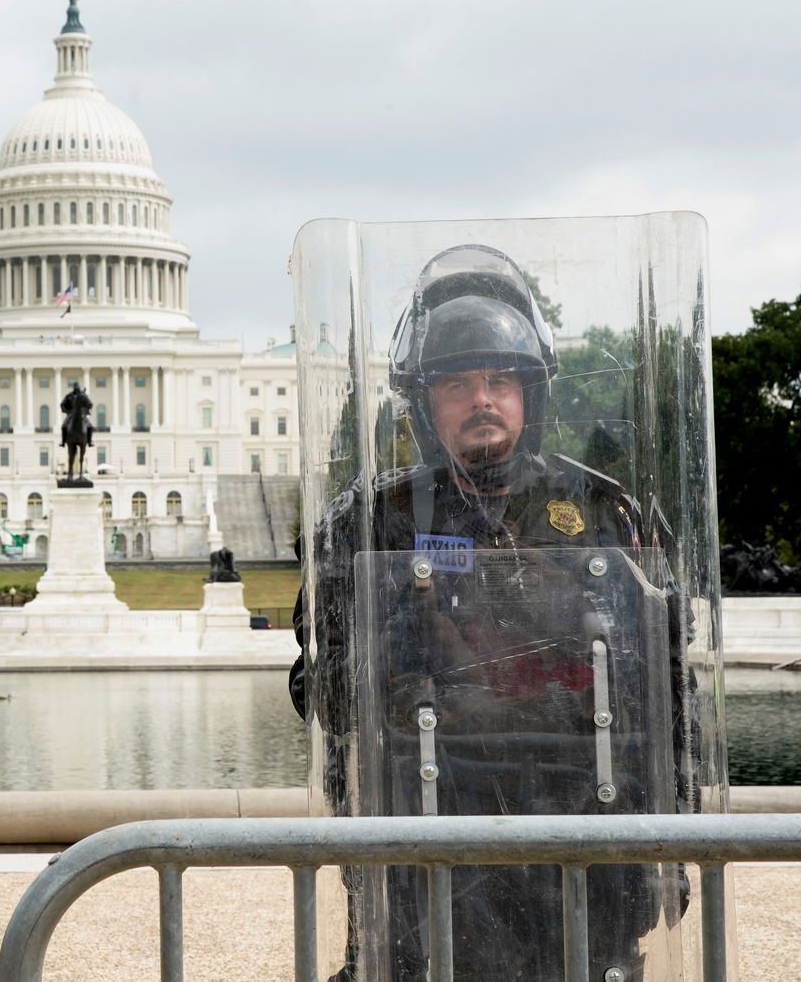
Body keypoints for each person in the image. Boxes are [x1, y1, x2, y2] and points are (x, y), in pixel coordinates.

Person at [290, 244, 692, 982]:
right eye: (458, 383)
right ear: (423, 400)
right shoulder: (368, 523)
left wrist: (673, 839)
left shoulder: (605, 513)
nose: (482, 399)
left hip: (581, 821)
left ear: (531, 395)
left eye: (501, 380)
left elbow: (668, 692)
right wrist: (398, 648)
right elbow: (324, 691)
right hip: (422, 826)